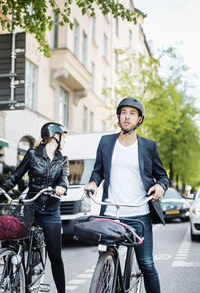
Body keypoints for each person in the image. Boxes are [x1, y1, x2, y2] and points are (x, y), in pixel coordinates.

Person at [84, 97, 169, 293]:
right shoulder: (106, 142)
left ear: (139, 119)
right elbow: (98, 171)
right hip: (111, 213)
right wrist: (93, 182)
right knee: (105, 256)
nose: (127, 117)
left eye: (132, 113)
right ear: (119, 116)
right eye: (124, 112)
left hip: (139, 213)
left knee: (146, 264)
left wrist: (160, 187)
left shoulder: (149, 146)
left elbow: (162, 177)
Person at [0, 122, 69, 293]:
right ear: (55, 136)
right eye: (64, 138)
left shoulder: (63, 160)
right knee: (16, 242)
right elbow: (16, 176)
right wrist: (2, 189)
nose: (65, 142)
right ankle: (19, 279)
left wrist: (62, 188)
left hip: (51, 211)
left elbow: (64, 179)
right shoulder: (32, 155)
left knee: (55, 255)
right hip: (31, 206)